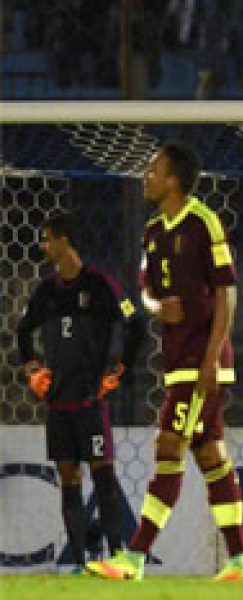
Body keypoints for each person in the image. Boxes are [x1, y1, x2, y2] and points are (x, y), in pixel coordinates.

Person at [87, 142, 243, 582]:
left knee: (168, 449)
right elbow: (145, 288)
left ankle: (135, 557)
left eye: (153, 170)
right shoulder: (153, 231)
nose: (146, 175)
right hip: (177, 358)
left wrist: (211, 359)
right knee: (211, 456)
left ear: (174, 180)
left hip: (201, 361)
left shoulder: (203, 222)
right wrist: (158, 308)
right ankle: (241, 560)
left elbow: (228, 292)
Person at [16, 212, 143, 573]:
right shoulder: (46, 292)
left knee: (103, 476)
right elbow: (23, 333)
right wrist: (32, 370)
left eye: (46, 239)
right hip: (58, 405)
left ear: (63, 240)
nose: (43, 246)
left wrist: (121, 370)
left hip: (91, 403)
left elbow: (136, 325)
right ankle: (78, 562)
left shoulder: (102, 285)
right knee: (69, 480)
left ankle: (117, 556)